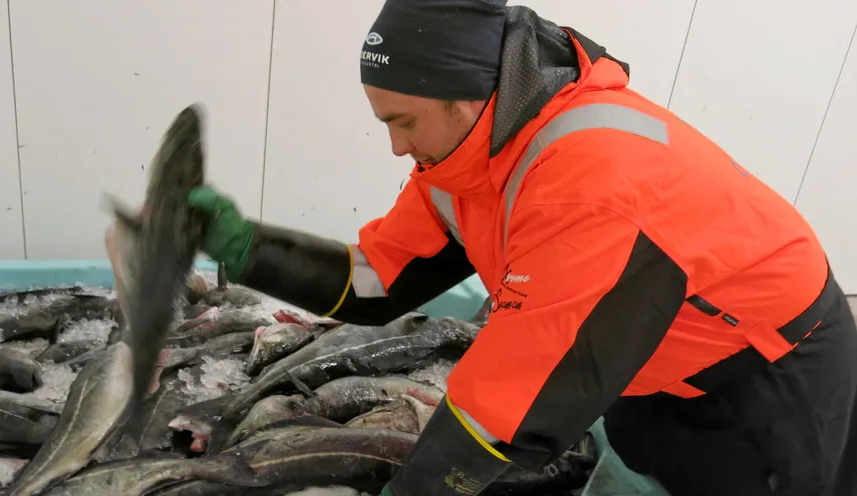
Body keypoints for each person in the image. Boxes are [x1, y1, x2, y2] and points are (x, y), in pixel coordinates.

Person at [143, 1, 857, 495]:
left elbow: (511, 407)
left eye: (404, 121)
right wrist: (244, 245)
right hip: (645, 367)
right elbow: (379, 281)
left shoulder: (587, 181)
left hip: (761, 380)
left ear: (466, 96)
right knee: (633, 467)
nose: (395, 146)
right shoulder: (463, 159)